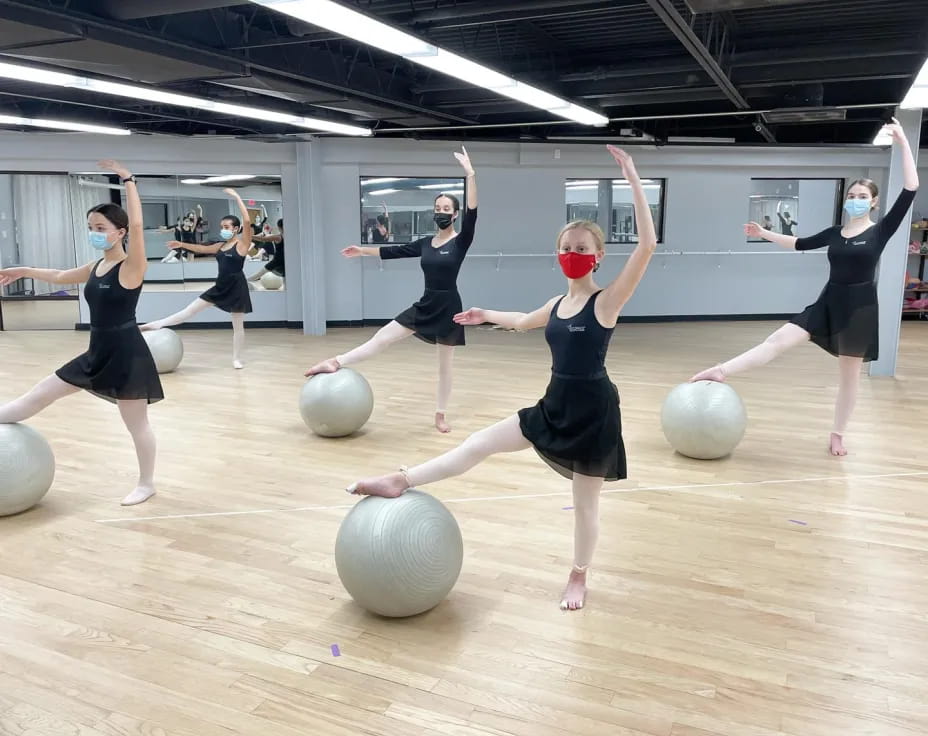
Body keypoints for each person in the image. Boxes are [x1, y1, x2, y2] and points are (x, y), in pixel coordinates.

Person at [346, 146, 657, 611]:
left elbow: (647, 245)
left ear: (598, 258)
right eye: (566, 248)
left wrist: (632, 176)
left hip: (593, 413)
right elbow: (521, 321)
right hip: (553, 405)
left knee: (585, 504)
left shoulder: (607, 302)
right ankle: (400, 480)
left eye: (582, 250)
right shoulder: (557, 304)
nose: (572, 254)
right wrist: (483, 314)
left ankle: (578, 576)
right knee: (477, 444)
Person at [691, 118, 919, 456]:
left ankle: (838, 434)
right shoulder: (833, 233)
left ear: (872, 202)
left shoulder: (880, 230)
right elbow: (797, 243)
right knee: (778, 340)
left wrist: (902, 142)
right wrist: (764, 233)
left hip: (859, 310)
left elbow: (911, 188)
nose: (855, 199)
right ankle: (721, 370)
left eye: (862, 196)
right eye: (852, 195)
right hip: (827, 302)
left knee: (849, 378)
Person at [0, 159, 162, 506]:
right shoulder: (97, 266)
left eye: (101, 227)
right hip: (96, 352)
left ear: (120, 233)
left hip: (126, 355)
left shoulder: (131, 266)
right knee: (39, 395)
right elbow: (60, 277)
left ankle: (146, 483)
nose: (95, 232)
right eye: (91, 226)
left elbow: (136, 220)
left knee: (136, 425)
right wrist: (23, 270)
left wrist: (128, 179)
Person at [306, 147, 477, 434]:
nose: (441, 213)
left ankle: (440, 414)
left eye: (447, 209)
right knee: (382, 338)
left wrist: (470, 174)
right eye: (438, 209)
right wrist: (362, 250)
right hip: (426, 304)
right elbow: (394, 251)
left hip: (449, 308)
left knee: (444, 366)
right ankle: (335, 361)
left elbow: (474, 211)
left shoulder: (461, 241)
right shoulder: (425, 243)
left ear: (455, 214)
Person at [141, 188, 253, 369]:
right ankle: (153, 326)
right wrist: (181, 244)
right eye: (222, 227)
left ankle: (236, 359)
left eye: (227, 227)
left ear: (236, 229)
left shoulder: (242, 245)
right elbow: (201, 249)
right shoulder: (219, 245)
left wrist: (237, 197)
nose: (223, 230)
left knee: (237, 326)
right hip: (220, 287)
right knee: (189, 311)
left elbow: (247, 221)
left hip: (237, 288)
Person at [247, 218, 285, 282]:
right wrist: (265, 233)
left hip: (277, 261)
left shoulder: (278, 237)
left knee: (257, 275)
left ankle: (244, 282)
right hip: (284, 261)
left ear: (279, 227)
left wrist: (251, 236)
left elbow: (263, 239)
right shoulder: (289, 236)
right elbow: (265, 237)